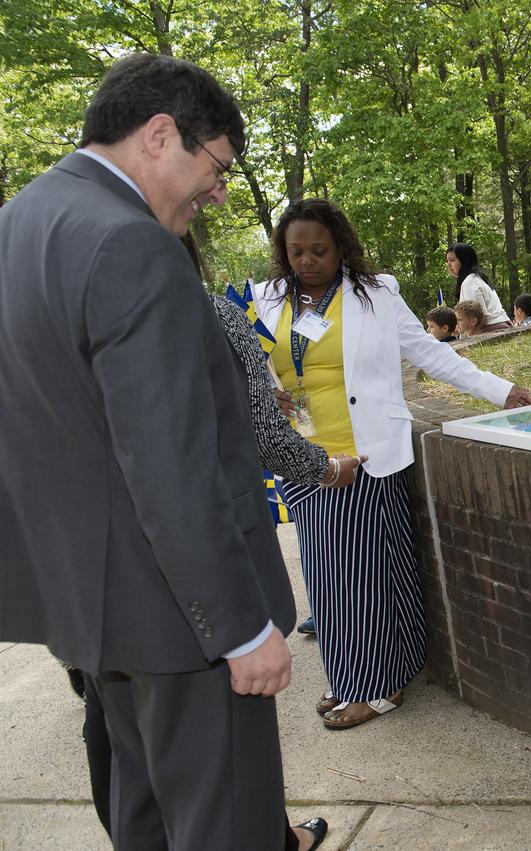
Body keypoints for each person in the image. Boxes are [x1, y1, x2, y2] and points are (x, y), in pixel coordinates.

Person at [0, 53, 314, 848]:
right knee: (227, 826)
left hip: (92, 614)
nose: (217, 192)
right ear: (160, 134)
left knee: (142, 817)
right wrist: (240, 629)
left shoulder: (18, 225)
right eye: (216, 168)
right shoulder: (133, 246)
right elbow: (171, 465)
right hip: (184, 627)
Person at [255, 199, 531, 730]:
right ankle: (351, 675)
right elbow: (255, 365)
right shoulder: (267, 299)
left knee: (360, 577)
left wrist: (500, 392)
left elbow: (432, 354)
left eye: (319, 249)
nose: (308, 261)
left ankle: (374, 687)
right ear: (282, 253)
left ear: (341, 247)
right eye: (297, 251)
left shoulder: (375, 295)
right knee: (327, 577)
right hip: (305, 461)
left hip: (367, 455)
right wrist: (270, 394)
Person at [447, 241, 512, 331]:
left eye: (452, 260)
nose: (449, 265)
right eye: (448, 260)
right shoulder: (478, 278)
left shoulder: (470, 282)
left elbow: (480, 318)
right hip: (500, 327)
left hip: (492, 330)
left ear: (464, 261)